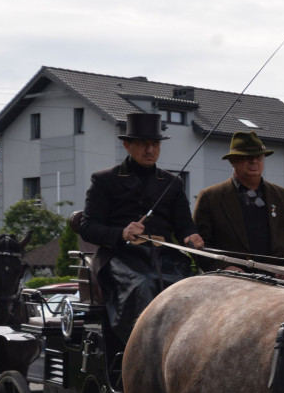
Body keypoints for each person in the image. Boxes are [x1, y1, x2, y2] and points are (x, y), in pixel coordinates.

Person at [77, 112, 204, 345]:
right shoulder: (105, 180)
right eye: (143, 144)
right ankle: (141, 349)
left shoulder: (172, 183)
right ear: (127, 145)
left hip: (164, 256)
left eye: (154, 144)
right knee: (142, 284)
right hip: (120, 256)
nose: (150, 150)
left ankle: (188, 347)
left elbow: (184, 225)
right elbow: (88, 226)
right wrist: (121, 233)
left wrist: (190, 236)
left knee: (189, 287)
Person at [193, 131, 284, 273]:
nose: (254, 161)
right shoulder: (210, 197)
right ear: (232, 161)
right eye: (247, 157)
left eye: (258, 157)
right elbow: (199, 245)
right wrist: (223, 267)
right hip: (229, 281)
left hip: (279, 279)